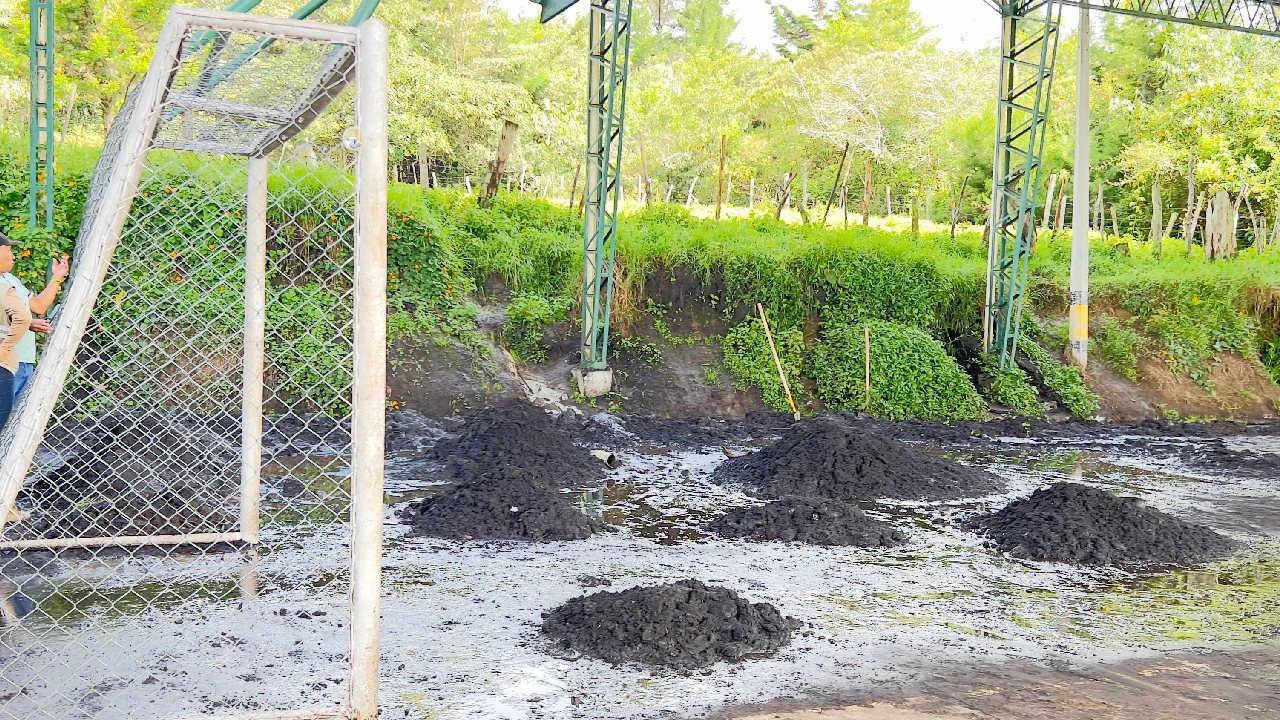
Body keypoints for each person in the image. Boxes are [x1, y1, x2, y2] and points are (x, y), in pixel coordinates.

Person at [0, 239, 68, 400]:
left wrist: (57, 277)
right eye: (8, 250)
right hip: (5, 363)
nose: (13, 256)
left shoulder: (11, 279)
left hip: (24, 361)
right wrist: (26, 322)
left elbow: (38, 306)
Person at [0, 234, 32, 429]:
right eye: (8, 250)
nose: (13, 256)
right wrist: (5, 349)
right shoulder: (4, 289)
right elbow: (22, 317)